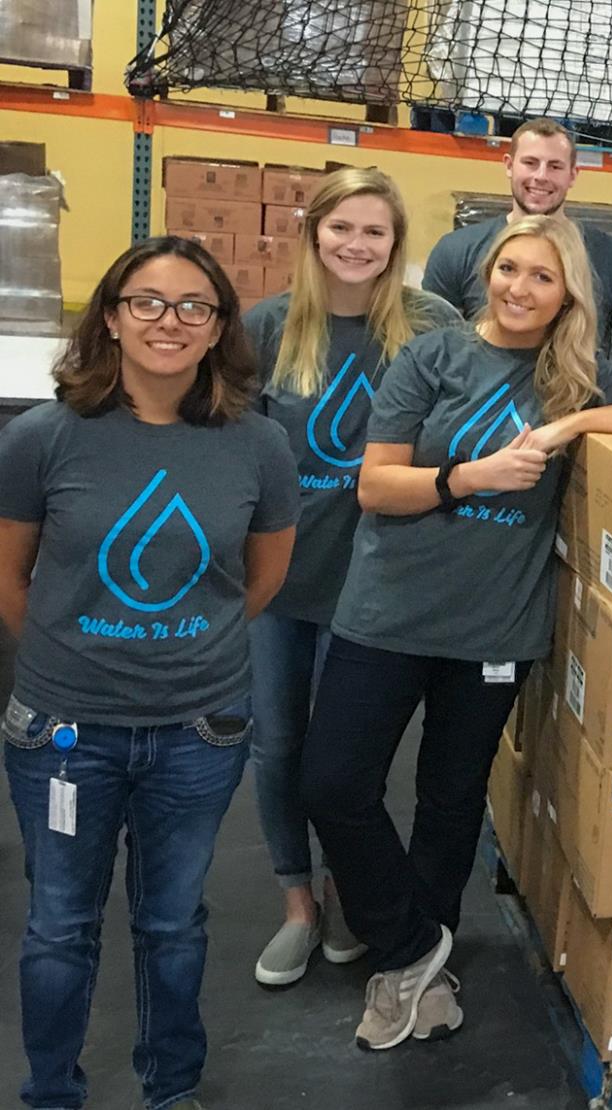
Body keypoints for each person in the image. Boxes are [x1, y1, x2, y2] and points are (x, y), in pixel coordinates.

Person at [299, 215, 612, 1051]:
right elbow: (376, 486)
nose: (519, 288)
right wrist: (468, 478)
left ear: (568, 298)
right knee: (333, 782)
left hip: (492, 631)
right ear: (488, 272)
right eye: (508, 269)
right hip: (388, 612)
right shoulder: (431, 356)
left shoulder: (578, 375)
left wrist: (575, 424)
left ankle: (421, 976)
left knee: (451, 804)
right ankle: (411, 945)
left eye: (541, 278)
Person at [0, 237, 299, 1110]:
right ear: (111, 315)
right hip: (61, 730)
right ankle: (50, 1093)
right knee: (58, 929)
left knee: (172, 925)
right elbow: (11, 576)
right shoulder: (41, 438)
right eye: (148, 302)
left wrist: (184, 642)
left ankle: (171, 1090)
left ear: (218, 331)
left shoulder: (260, 446)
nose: (169, 321)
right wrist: (83, 654)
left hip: (198, 731)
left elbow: (263, 575)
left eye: (192, 307)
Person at [243, 167, 465, 990]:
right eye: (343, 229)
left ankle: (347, 891)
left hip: (375, 585)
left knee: (346, 765)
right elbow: (234, 454)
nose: (357, 245)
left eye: (375, 232)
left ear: (396, 244)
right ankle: (298, 906)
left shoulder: (430, 325)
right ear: (314, 233)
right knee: (278, 747)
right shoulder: (268, 328)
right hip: (280, 582)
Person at [422, 118, 612, 354]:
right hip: (483, 389)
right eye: (530, 163)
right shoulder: (456, 251)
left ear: (573, 174)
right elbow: (431, 349)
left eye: (555, 166)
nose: (541, 176)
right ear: (509, 166)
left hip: (576, 387)